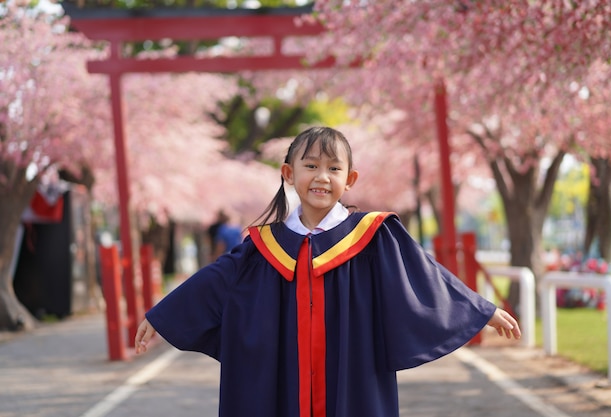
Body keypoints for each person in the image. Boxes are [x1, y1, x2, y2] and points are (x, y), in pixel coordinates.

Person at [135, 126, 521, 417]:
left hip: (352, 376)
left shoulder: (373, 237)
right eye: (311, 166)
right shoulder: (263, 247)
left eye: (334, 168)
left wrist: (479, 309)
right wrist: (163, 315)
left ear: (349, 179)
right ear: (288, 173)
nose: (322, 177)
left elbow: (424, 277)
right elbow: (214, 282)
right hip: (281, 384)